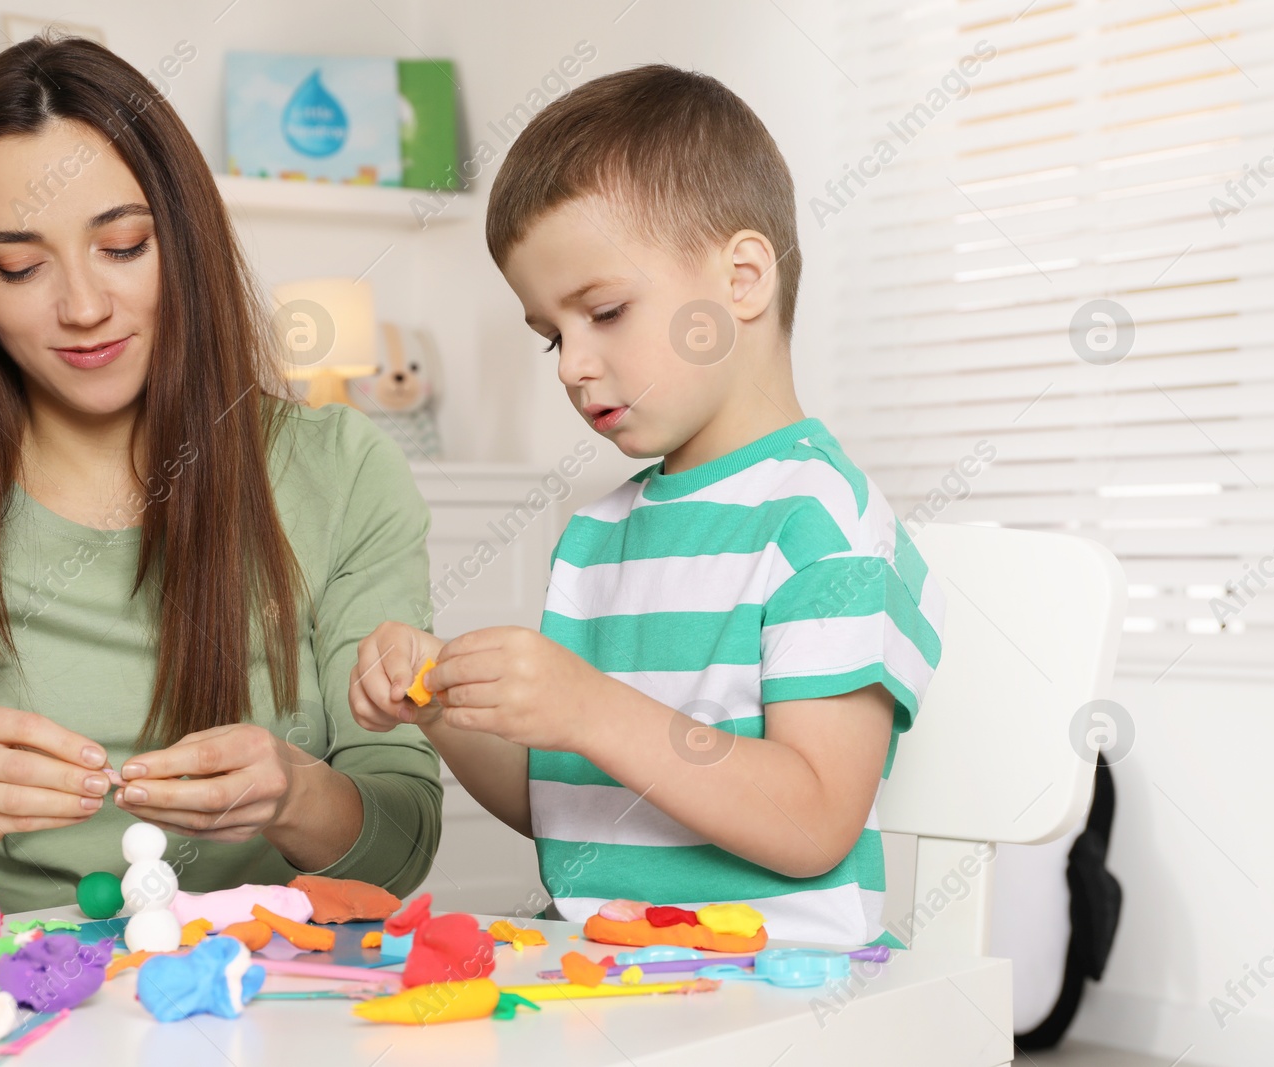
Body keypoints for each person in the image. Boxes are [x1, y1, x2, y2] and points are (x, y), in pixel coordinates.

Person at [0, 36, 440, 939]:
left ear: (180, 242)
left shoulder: (339, 470)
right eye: (20, 267)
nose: (82, 306)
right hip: (13, 1003)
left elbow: (400, 853)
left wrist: (294, 791)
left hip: (264, 988)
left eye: (123, 246)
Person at [350, 64, 944, 947]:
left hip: (777, 981)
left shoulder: (821, 525)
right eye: (553, 333)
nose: (571, 365)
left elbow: (815, 817)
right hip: (606, 973)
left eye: (606, 311)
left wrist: (588, 706)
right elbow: (560, 804)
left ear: (743, 280)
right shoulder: (597, 538)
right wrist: (440, 703)